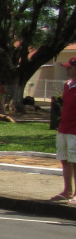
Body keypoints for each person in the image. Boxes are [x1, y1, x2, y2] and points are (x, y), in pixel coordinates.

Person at [50, 57, 76, 204]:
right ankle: (68, 191)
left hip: (75, 130)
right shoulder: (67, 84)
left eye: (69, 67)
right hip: (64, 128)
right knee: (64, 159)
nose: (67, 69)